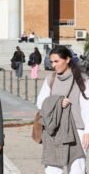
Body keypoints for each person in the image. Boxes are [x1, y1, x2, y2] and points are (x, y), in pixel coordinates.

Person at [36, 45, 89, 174]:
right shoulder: (51, 79)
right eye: (51, 62)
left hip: (77, 130)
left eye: (57, 61)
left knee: (77, 168)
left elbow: (86, 108)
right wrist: (58, 101)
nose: (53, 65)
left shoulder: (83, 80)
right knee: (52, 169)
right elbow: (40, 103)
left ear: (67, 59)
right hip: (55, 130)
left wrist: (87, 132)